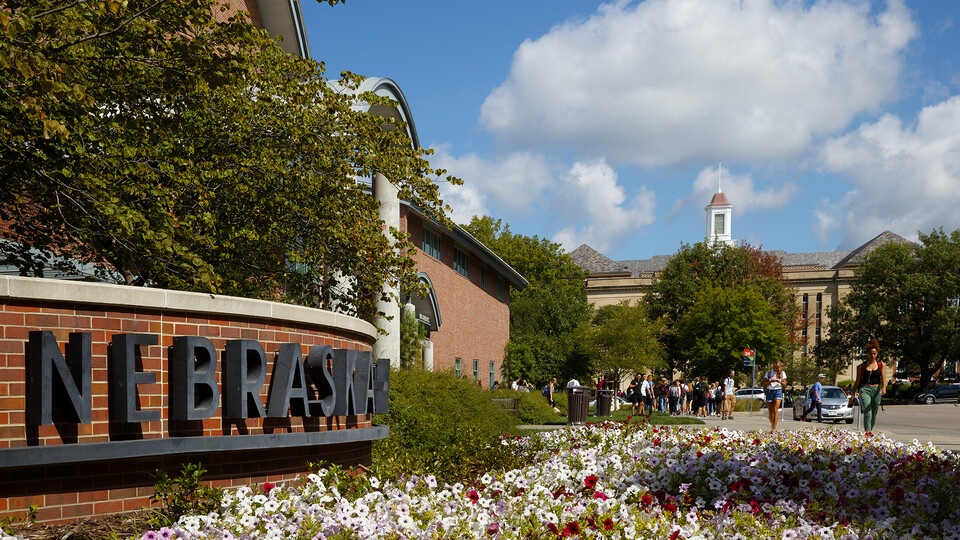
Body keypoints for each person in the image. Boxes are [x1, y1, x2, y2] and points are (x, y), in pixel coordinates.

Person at [850, 339, 885, 432]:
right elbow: (857, 381)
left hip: (876, 390)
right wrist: (853, 394)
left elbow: (883, 378)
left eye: (874, 354)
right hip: (865, 390)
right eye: (871, 354)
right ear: (867, 354)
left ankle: (870, 431)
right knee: (867, 412)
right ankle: (867, 433)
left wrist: (884, 387)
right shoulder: (861, 366)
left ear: (877, 354)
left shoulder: (881, 365)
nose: (872, 356)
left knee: (874, 414)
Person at [763, 361, 786, 431]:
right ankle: (772, 424)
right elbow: (764, 384)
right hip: (770, 391)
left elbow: (784, 384)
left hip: (778, 391)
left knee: (775, 409)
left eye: (777, 368)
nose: (775, 369)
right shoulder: (768, 373)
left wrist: (779, 381)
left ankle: (774, 427)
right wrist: (771, 382)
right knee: (770, 410)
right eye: (774, 367)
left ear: (779, 367)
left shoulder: (782, 373)